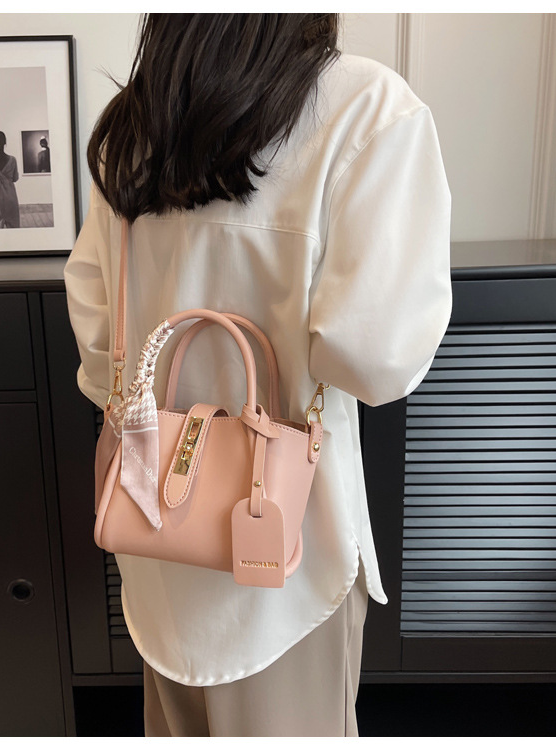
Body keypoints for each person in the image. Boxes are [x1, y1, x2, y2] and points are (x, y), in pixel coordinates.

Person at [64, 14, 452, 737]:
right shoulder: (365, 108)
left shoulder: (135, 125)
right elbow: (377, 359)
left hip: (156, 539)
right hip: (288, 552)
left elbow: (97, 342)